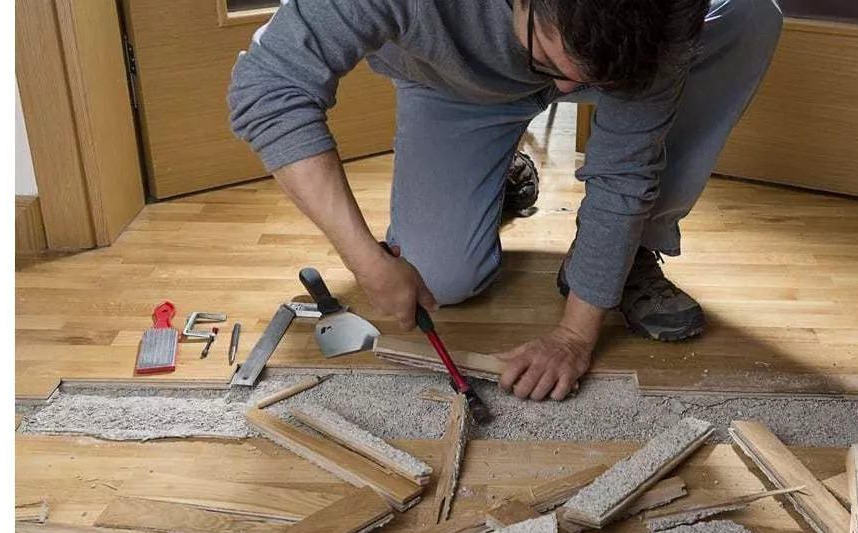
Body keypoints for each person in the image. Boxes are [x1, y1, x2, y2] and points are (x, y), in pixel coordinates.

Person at [228, 0, 783, 402]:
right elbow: (268, 89)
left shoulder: (660, 17)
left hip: (624, 59)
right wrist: (365, 261)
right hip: (450, 85)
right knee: (442, 280)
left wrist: (574, 335)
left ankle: (634, 245)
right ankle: (497, 168)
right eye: (550, 62)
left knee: (750, 14)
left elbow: (626, 172)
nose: (567, 92)